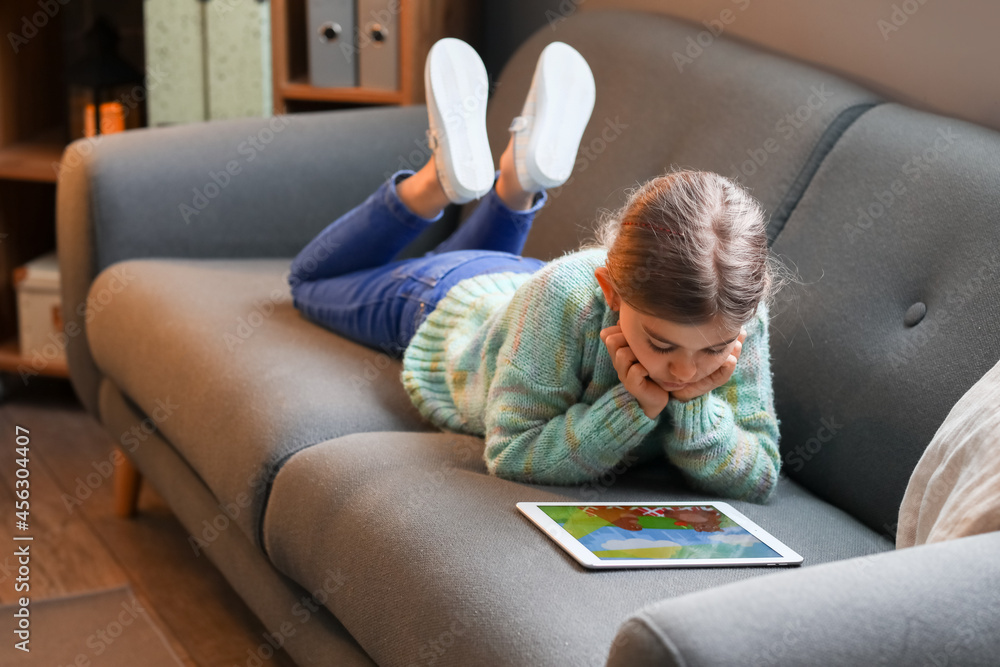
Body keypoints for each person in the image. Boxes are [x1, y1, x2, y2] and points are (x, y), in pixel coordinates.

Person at [288, 38, 784, 503]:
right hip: (446, 297)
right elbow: (511, 453)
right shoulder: (566, 295)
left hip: (520, 290)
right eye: (660, 344)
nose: (684, 370)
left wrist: (695, 406)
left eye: (713, 351)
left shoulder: (735, 309)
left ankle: (515, 184)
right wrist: (633, 408)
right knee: (308, 282)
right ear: (610, 291)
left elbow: (761, 474)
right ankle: (434, 183)